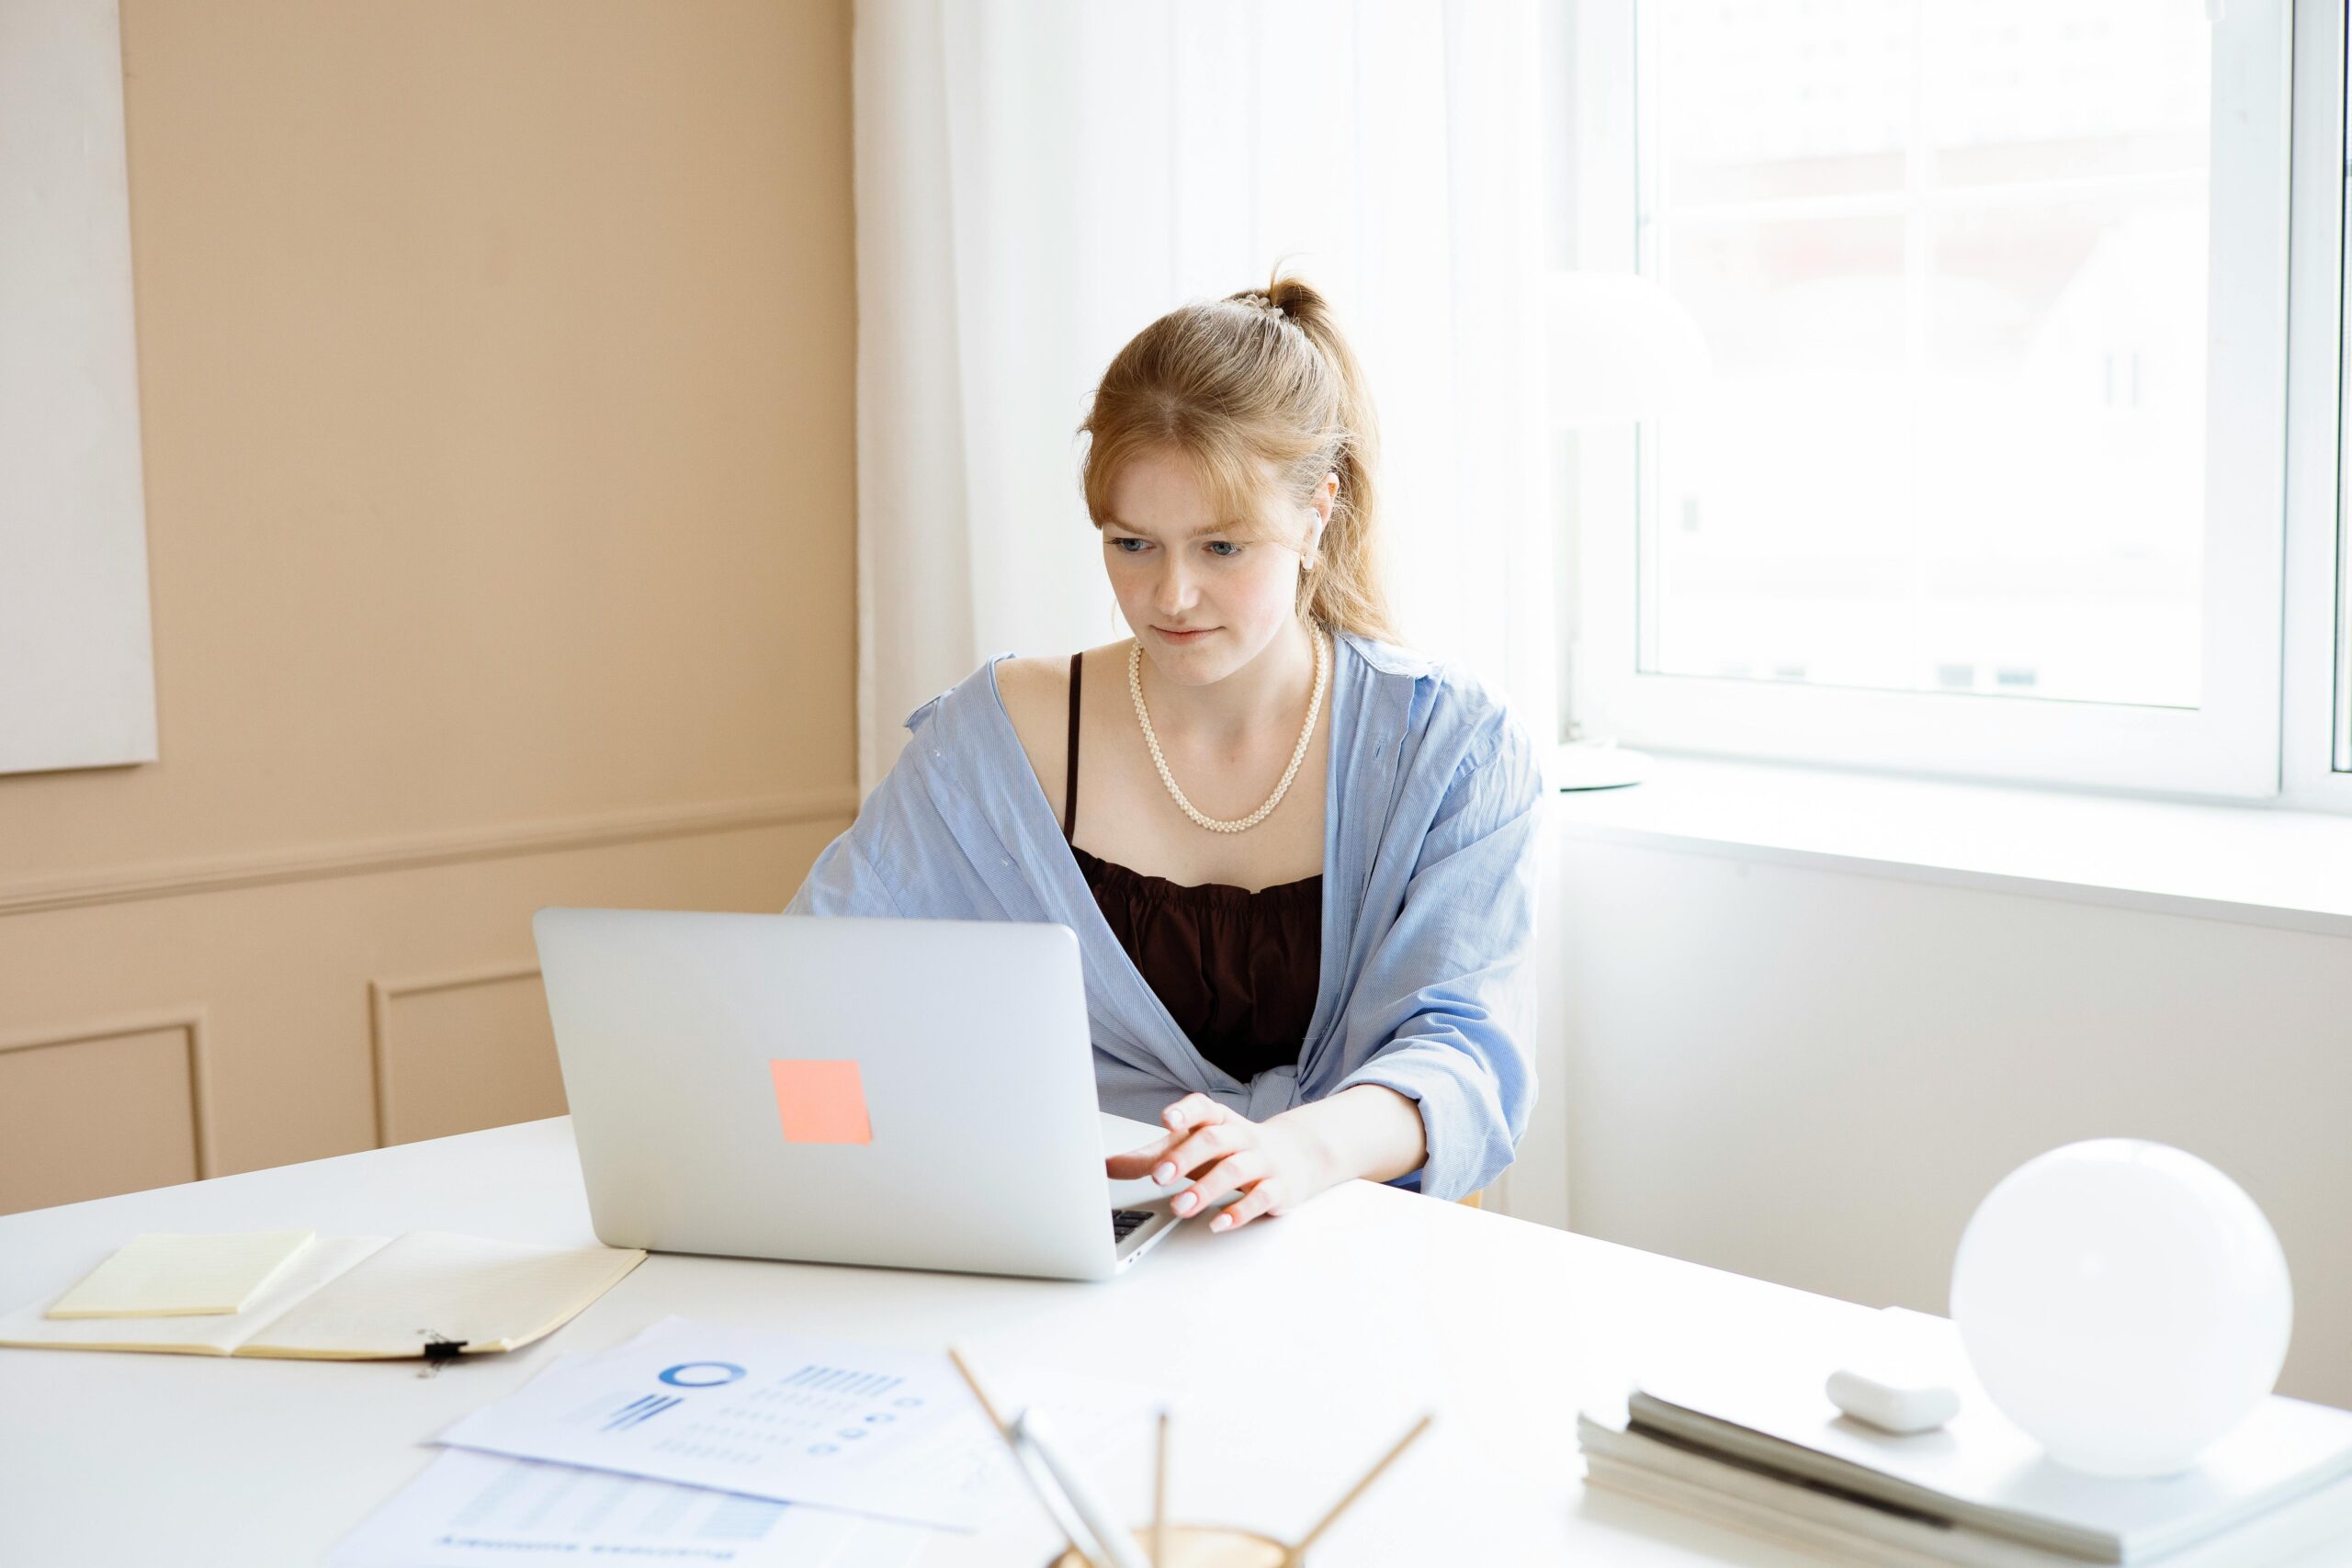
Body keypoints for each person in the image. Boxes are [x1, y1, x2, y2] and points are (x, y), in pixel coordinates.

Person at [786, 273, 1542, 1231]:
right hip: (1053, 1243)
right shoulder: (994, 740)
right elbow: (813, 983)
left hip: (1348, 1236)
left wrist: (1295, 1152)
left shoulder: (1455, 748)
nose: (1170, 596)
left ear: (1318, 510)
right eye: (1132, 544)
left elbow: (1466, 1055)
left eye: (1221, 547)